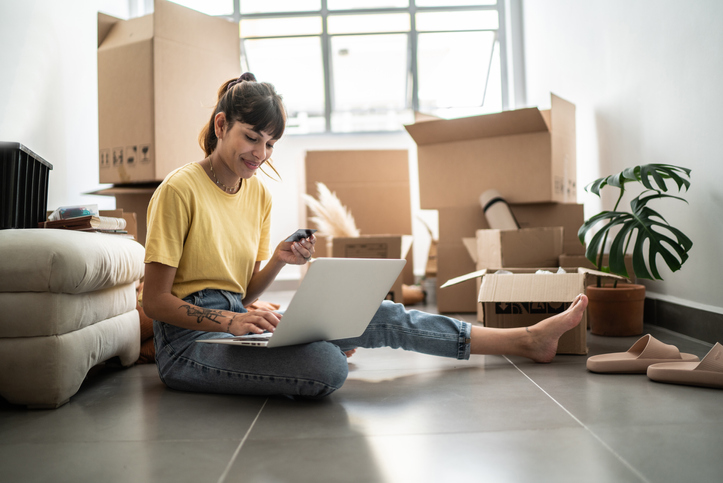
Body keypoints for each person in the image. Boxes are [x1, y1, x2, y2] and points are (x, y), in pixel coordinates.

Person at [142, 72, 589, 399]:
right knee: (327, 365)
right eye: (251, 137)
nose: (260, 153)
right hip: (187, 345)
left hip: (241, 324)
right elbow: (156, 302)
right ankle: (317, 345)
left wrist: (279, 259)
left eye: (271, 143)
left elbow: (241, 291)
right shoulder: (179, 190)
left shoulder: (256, 193)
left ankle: (526, 340)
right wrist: (231, 321)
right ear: (221, 126)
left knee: (382, 314)